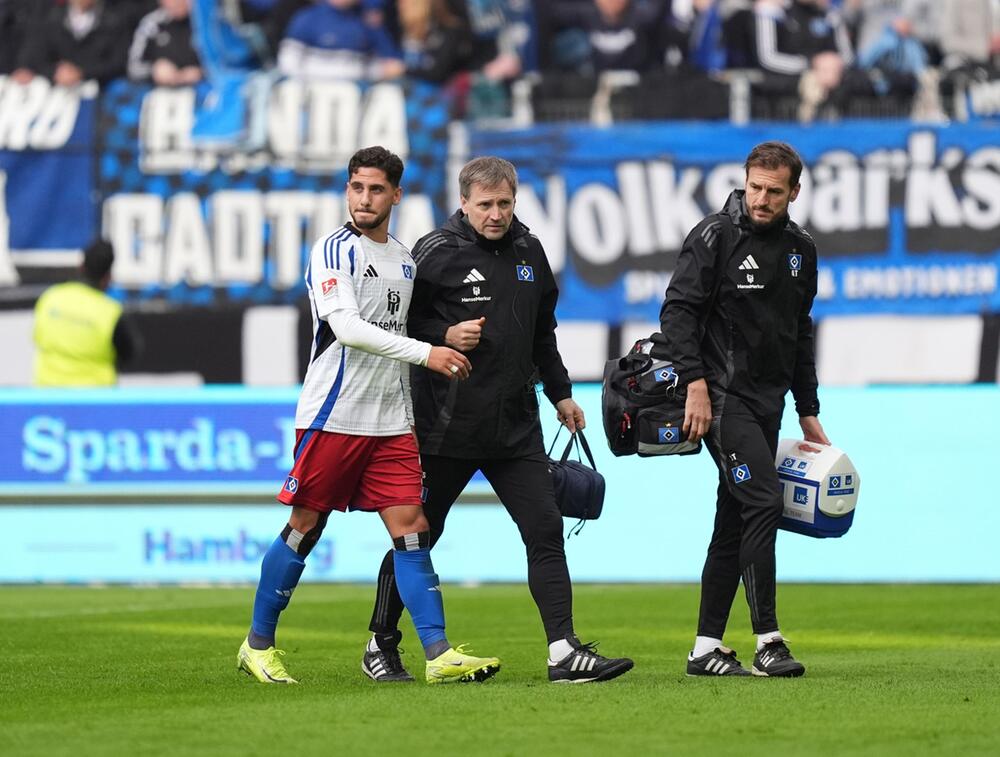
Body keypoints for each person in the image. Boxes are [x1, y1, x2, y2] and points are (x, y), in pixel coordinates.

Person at [363, 156, 634, 685]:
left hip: (515, 428)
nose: (495, 214)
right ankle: (380, 643)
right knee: (417, 536)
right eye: (484, 204)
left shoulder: (530, 251)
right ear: (463, 202)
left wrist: (561, 394)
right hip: (446, 427)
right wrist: (443, 335)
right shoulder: (435, 253)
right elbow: (398, 324)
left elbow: (542, 335)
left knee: (545, 530)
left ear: (515, 200)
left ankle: (563, 651)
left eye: (504, 203)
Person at [237, 146, 500, 686]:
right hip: (334, 414)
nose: (364, 198)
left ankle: (439, 654)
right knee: (305, 527)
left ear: (396, 195)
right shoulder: (333, 250)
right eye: (356, 187)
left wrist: (437, 339)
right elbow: (350, 329)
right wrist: (430, 354)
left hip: (390, 420)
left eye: (376, 189)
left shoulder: (404, 259)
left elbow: (399, 332)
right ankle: (257, 645)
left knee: (413, 529)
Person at [655, 141, 830, 677]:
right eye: (755, 186)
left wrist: (807, 408)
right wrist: (695, 385)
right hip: (722, 400)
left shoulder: (802, 249)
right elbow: (677, 312)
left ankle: (705, 648)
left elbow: (800, 332)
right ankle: (768, 640)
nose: (762, 198)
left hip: (768, 403)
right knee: (763, 502)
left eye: (774, 191)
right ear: (745, 181)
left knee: (734, 520)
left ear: (793, 192)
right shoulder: (715, 235)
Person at [33, 239, 142, 387]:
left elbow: (37, 337)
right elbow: (129, 354)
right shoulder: (111, 313)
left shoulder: (51, 297)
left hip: (48, 397)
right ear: (107, 278)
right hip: (94, 401)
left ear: (81, 266)